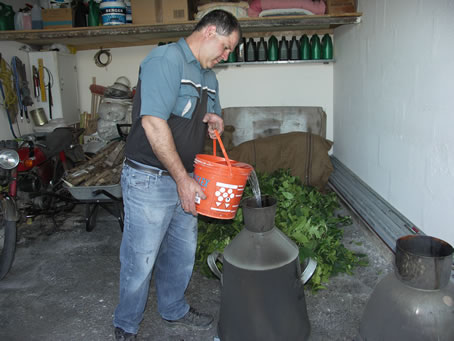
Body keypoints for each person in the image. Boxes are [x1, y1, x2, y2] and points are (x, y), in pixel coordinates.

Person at [113, 10, 241, 341]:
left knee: (181, 254)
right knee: (140, 258)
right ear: (210, 32)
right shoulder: (165, 60)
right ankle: (126, 323)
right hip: (149, 177)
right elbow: (153, 123)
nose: (226, 56)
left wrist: (215, 125)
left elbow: (209, 124)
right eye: (226, 47)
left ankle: (173, 309)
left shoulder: (209, 77)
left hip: (188, 175)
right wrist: (182, 179)